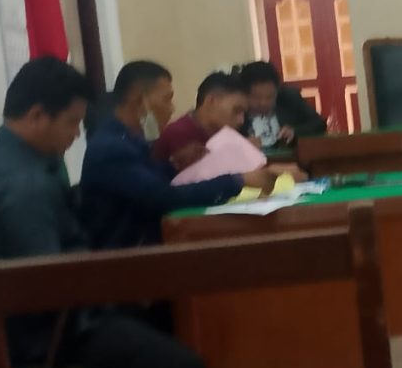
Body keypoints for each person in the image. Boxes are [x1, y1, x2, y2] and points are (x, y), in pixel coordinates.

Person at [0, 57, 206, 368]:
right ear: (37, 116)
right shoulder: (22, 185)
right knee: (183, 367)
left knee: (155, 316)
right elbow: (53, 281)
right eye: (71, 123)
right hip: (33, 334)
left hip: (21, 318)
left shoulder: (0, 159)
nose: (77, 134)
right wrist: (116, 293)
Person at [81, 60, 277, 250]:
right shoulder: (111, 147)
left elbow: (147, 180)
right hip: (126, 254)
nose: (172, 108)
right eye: (167, 99)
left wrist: (174, 165)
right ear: (141, 101)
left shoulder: (128, 137)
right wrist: (238, 180)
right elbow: (164, 196)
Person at [152, 70, 249, 166]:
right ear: (211, 101)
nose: (241, 120)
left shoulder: (222, 133)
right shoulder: (179, 134)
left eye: (243, 113)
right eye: (236, 110)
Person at [237, 60, 327, 147]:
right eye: (256, 97)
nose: (263, 103)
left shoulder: (288, 98)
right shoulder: (236, 110)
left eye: (270, 97)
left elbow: (319, 123)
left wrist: (294, 131)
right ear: (243, 94)